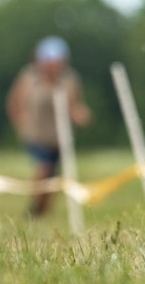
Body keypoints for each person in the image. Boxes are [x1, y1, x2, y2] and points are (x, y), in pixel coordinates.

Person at [6, 36, 91, 217]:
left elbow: (74, 105)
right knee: (44, 169)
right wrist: (21, 122)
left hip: (59, 137)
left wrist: (80, 116)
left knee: (53, 178)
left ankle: (39, 213)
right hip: (35, 136)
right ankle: (36, 209)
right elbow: (15, 102)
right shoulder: (29, 78)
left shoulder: (70, 80)